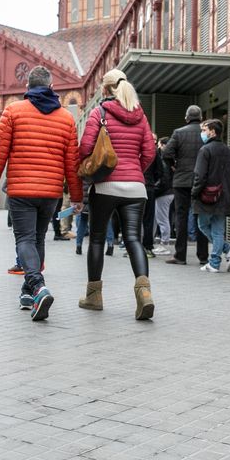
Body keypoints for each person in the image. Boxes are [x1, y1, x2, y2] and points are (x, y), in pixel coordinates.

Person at [0, 66, 83, 321]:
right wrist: (77, 195)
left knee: (24, 239)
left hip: (21, 190)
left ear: (27, 87)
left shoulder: (14, 111)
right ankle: (27, 293)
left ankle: (38, 287)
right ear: (51, 87)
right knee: (38, 239)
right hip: (50, 192)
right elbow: (72, 162)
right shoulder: (66, 118)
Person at [76, 69, 156, 319]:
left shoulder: (99, 113)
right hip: (136, 188)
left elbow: (86, 148)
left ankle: (94, 296)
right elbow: (150, 152)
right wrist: (134, 171)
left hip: (106, 186)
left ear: (106, 89)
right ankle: (144, 293)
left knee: (98, 239)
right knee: (133, 239)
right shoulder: (140, 116)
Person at [193, 119, 230, 272]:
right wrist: (226, 189)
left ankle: (219, 257)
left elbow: (199, 176)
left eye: (204, 130)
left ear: (213, 132)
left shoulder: (205, 150)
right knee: (218, 230)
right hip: (223, 197)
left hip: (207, 197)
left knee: (203, 225)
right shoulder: (228, 150)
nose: (202, 133)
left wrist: (194, 193)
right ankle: (220, 256)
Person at [163, 105, 208, 265]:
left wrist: (174, 166)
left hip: (181, 180)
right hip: (201, 180)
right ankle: (203, 256)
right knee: (200, 216)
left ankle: (180, 255)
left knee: (181, 216)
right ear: (201, 118)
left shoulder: (178, 133)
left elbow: (166, 153)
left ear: (186, 118)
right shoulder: (205, 133)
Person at [152, 136, 174, 254]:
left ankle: (164, 244)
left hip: (164, 193)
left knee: (162, 219)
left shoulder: (164, 159)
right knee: (159, 218)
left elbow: (163, 180)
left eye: (159, 144)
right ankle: (161, 243)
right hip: (167, 192)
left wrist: (155, 190)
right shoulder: (169, 158)